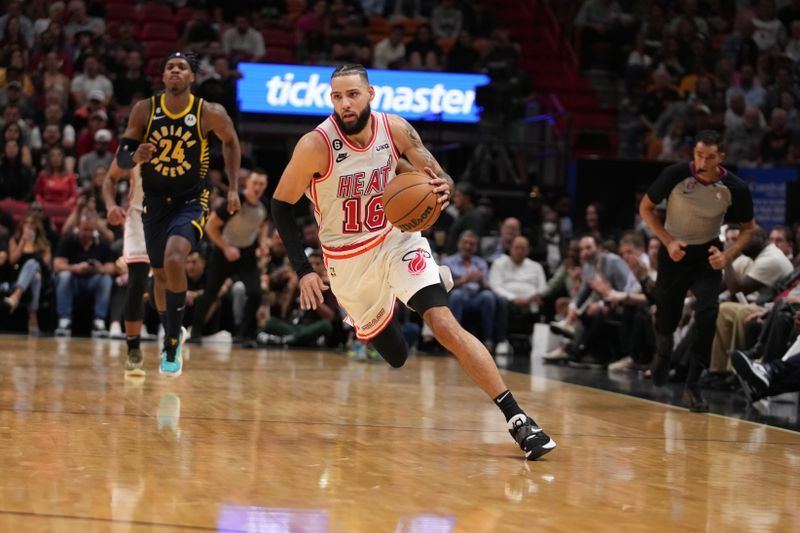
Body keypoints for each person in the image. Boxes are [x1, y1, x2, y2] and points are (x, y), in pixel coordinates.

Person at [270, 64, 555, 460]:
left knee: (444, 324)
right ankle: (389, 306)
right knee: (397, 356)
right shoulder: (315, 145)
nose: (344, 104)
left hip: (396, 240)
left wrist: (442, 189)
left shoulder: (397, 129)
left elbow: (440, 179)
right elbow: (281, 205)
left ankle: (518, 419)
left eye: (352, 94)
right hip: (348, 264)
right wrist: (303, 271)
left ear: (370, 93)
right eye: (336, 96)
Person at [115, 51, 241, 377]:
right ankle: (172, 328)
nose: (175, 70)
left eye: (181, 67)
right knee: (160, 276)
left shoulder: (208, 112)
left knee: (174, 259)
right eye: (169, 66)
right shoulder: (145, 109)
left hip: (191, 200)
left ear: (191, 77)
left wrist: (232, 187)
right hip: (155, 203)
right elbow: (123, 155)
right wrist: (135, 155)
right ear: (163, 76)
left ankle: (172, 339)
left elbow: (231, 142)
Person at [639, 129, 755, 412]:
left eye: (710, 156)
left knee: (707, 313)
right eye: (699, 155)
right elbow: (646, 207)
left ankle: (693, 385)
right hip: (674, 250)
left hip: (708, 253)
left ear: (721, 158)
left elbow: (748, 230)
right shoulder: (675, 174)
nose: (703, 161)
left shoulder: (734, 187)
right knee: (668, 314)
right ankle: (663, 353)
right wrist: (667, 242)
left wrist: (726, 256)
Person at [190, 169, 268, 347]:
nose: (258, 187)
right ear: (247, 183)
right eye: (255, 183)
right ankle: (195, 331)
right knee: (210, 292)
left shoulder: (264, 204)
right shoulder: (234, 202)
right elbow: (210, 226)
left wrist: (262, 242)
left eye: (262, 184)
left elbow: (263, 224)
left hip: (247, 253)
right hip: (224, 251)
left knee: (255, 293)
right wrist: (226, 248)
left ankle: (244, 335)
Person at [102, 160, 151, 377]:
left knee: (166, 277)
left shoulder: (187, 137)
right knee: (137, 282)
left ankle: (171, 338)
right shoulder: (135, 145)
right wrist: (111, 205)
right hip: (139, 215)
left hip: (171, 215)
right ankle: (133, 350)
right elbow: (110, 179)